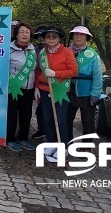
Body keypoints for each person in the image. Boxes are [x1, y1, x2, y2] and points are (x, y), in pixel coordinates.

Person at [35, 27, 78, 162]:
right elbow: (37, 71)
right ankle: (51, 142)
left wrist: (56, 74)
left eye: (54, 37)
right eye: (48, 37)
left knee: (60, 119)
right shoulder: (42, 52)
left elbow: (73, 71)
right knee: (47, 118)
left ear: (60, 39)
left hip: (60, 90)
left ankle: (62, 147)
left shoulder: (67, 52)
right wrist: (37, 87)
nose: (51, 39)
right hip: (44, 89)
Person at [66, 25, 103, 145]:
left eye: (82, 34)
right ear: (72, 36)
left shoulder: (92, 55)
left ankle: (86, 147)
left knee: (88, 122)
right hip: (67, 90)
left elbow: (98, 76)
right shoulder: (66, 51)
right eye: (76, 34)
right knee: (66, 119)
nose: (78, 37)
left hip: (86, 91)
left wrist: (95, 94)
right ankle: (67, 142)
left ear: (87, 37)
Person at [6, 22, 37, 152]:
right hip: (13, 88)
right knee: (12, 114)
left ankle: (23, 138)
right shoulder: (9, 49)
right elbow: (2, 69)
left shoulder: (33, 50)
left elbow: (36, 70)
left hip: (29, 89)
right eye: (21, 32)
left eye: (27, 32)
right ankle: (10, 139)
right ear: (16, 34)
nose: (24, 34)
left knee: (26, 115)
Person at [32, 26, 47, 140]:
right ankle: (41, 129)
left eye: (44, 36)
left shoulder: (54, 49)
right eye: (39, 36)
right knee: (40, 109)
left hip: (52, 84)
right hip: (36, 82)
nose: (41, 38)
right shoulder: (34, 50)